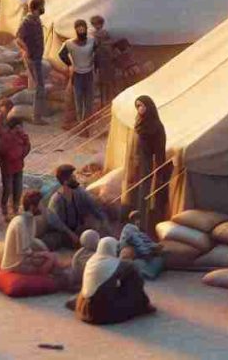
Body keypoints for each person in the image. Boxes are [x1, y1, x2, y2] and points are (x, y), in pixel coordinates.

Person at [72, 237, 155, 325]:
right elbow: (135, 275)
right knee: (133, 275)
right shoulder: (118, 265)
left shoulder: (92, 261)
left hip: (84, 308)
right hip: (100, 313)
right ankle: (143, 304)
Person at [122, 95, 168, 232]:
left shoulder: (156, 126)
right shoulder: (139, 121)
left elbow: (160, 150)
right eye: (137, 106)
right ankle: (132, 219)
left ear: (149, 107)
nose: (139, 109)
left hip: (146, 164)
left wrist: (159, 169)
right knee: (132, 192)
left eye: (142, 106)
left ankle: (144, 225)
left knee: (144, 194)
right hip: (135, 163)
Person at [45, 164, 107, 249]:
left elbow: (93, 206)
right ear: (65, 181)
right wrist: (71, 234)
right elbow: (56, 223)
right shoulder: (56, 200)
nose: (75, 178)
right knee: (51, 242)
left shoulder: (79, 193)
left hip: (78, 230)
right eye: (73, 177)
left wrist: (103, 219)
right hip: (63, 233)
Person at [2, 190, 58, 275]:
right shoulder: (20, 223)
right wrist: (43, 254)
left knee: (51, 257)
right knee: (51, 259)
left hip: (23, 258)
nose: (42, 207)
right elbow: (24, 251)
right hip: (15, 265)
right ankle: (42, 280)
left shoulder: (30, 219)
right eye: (40, 204)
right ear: (32, 207)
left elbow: (31, 241)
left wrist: (44, 250)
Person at [59, 19, 98, 123]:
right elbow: (61, 54)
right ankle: (81, 122)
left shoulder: (92, 40)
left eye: (83, 28)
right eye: (78, 28)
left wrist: (96, 65)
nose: (81, 30)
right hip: (77, 75)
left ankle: (88, 121)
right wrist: (70, 65)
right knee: (78, 99)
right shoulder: (69, 43)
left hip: (89, 73)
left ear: (85, 28)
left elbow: (97, 52)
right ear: (76, 30)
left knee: (89, 99)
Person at [16, 0, 48, 123]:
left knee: (38, 86)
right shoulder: (27, 21)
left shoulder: (36, 19)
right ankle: (36, 117)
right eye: (42, 6)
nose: (43, 8)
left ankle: (37, 114)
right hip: (33, 58)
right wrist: (26, 50)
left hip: (37, 57)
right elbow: (18, 38)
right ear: (36, 7)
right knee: (39, 87)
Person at [0, 113, 30, 222]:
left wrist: (21, 155)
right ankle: (5, 211)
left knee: (18, 189)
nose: (21, 129)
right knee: (8, 189)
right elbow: (1, 151)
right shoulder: (5, 136)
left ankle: (15, 209)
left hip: (18, 166)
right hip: (7, 168)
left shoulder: (23, 135)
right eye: (18, 126)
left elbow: (27, 146)